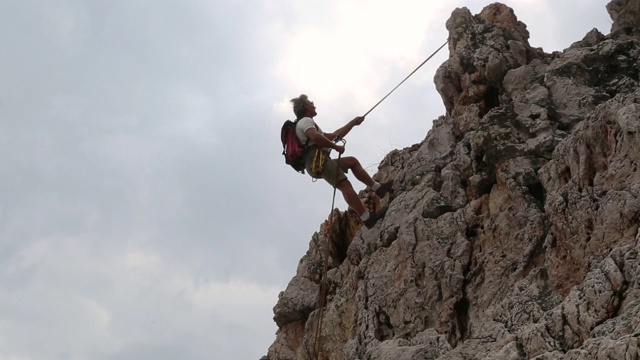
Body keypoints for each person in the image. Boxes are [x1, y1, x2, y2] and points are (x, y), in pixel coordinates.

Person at [290, 94, 392, 229]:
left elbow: (334, 135)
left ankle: (378, 189)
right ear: (306, 107)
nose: (314, 105)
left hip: (316, 162)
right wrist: (335, 147)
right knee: (345, 185)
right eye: (311, 103)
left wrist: (353, 123)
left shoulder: (306, 123)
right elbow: (316, 137)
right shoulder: (305, 121)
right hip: (317, 161)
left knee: (352, 162)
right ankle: (367, 218)